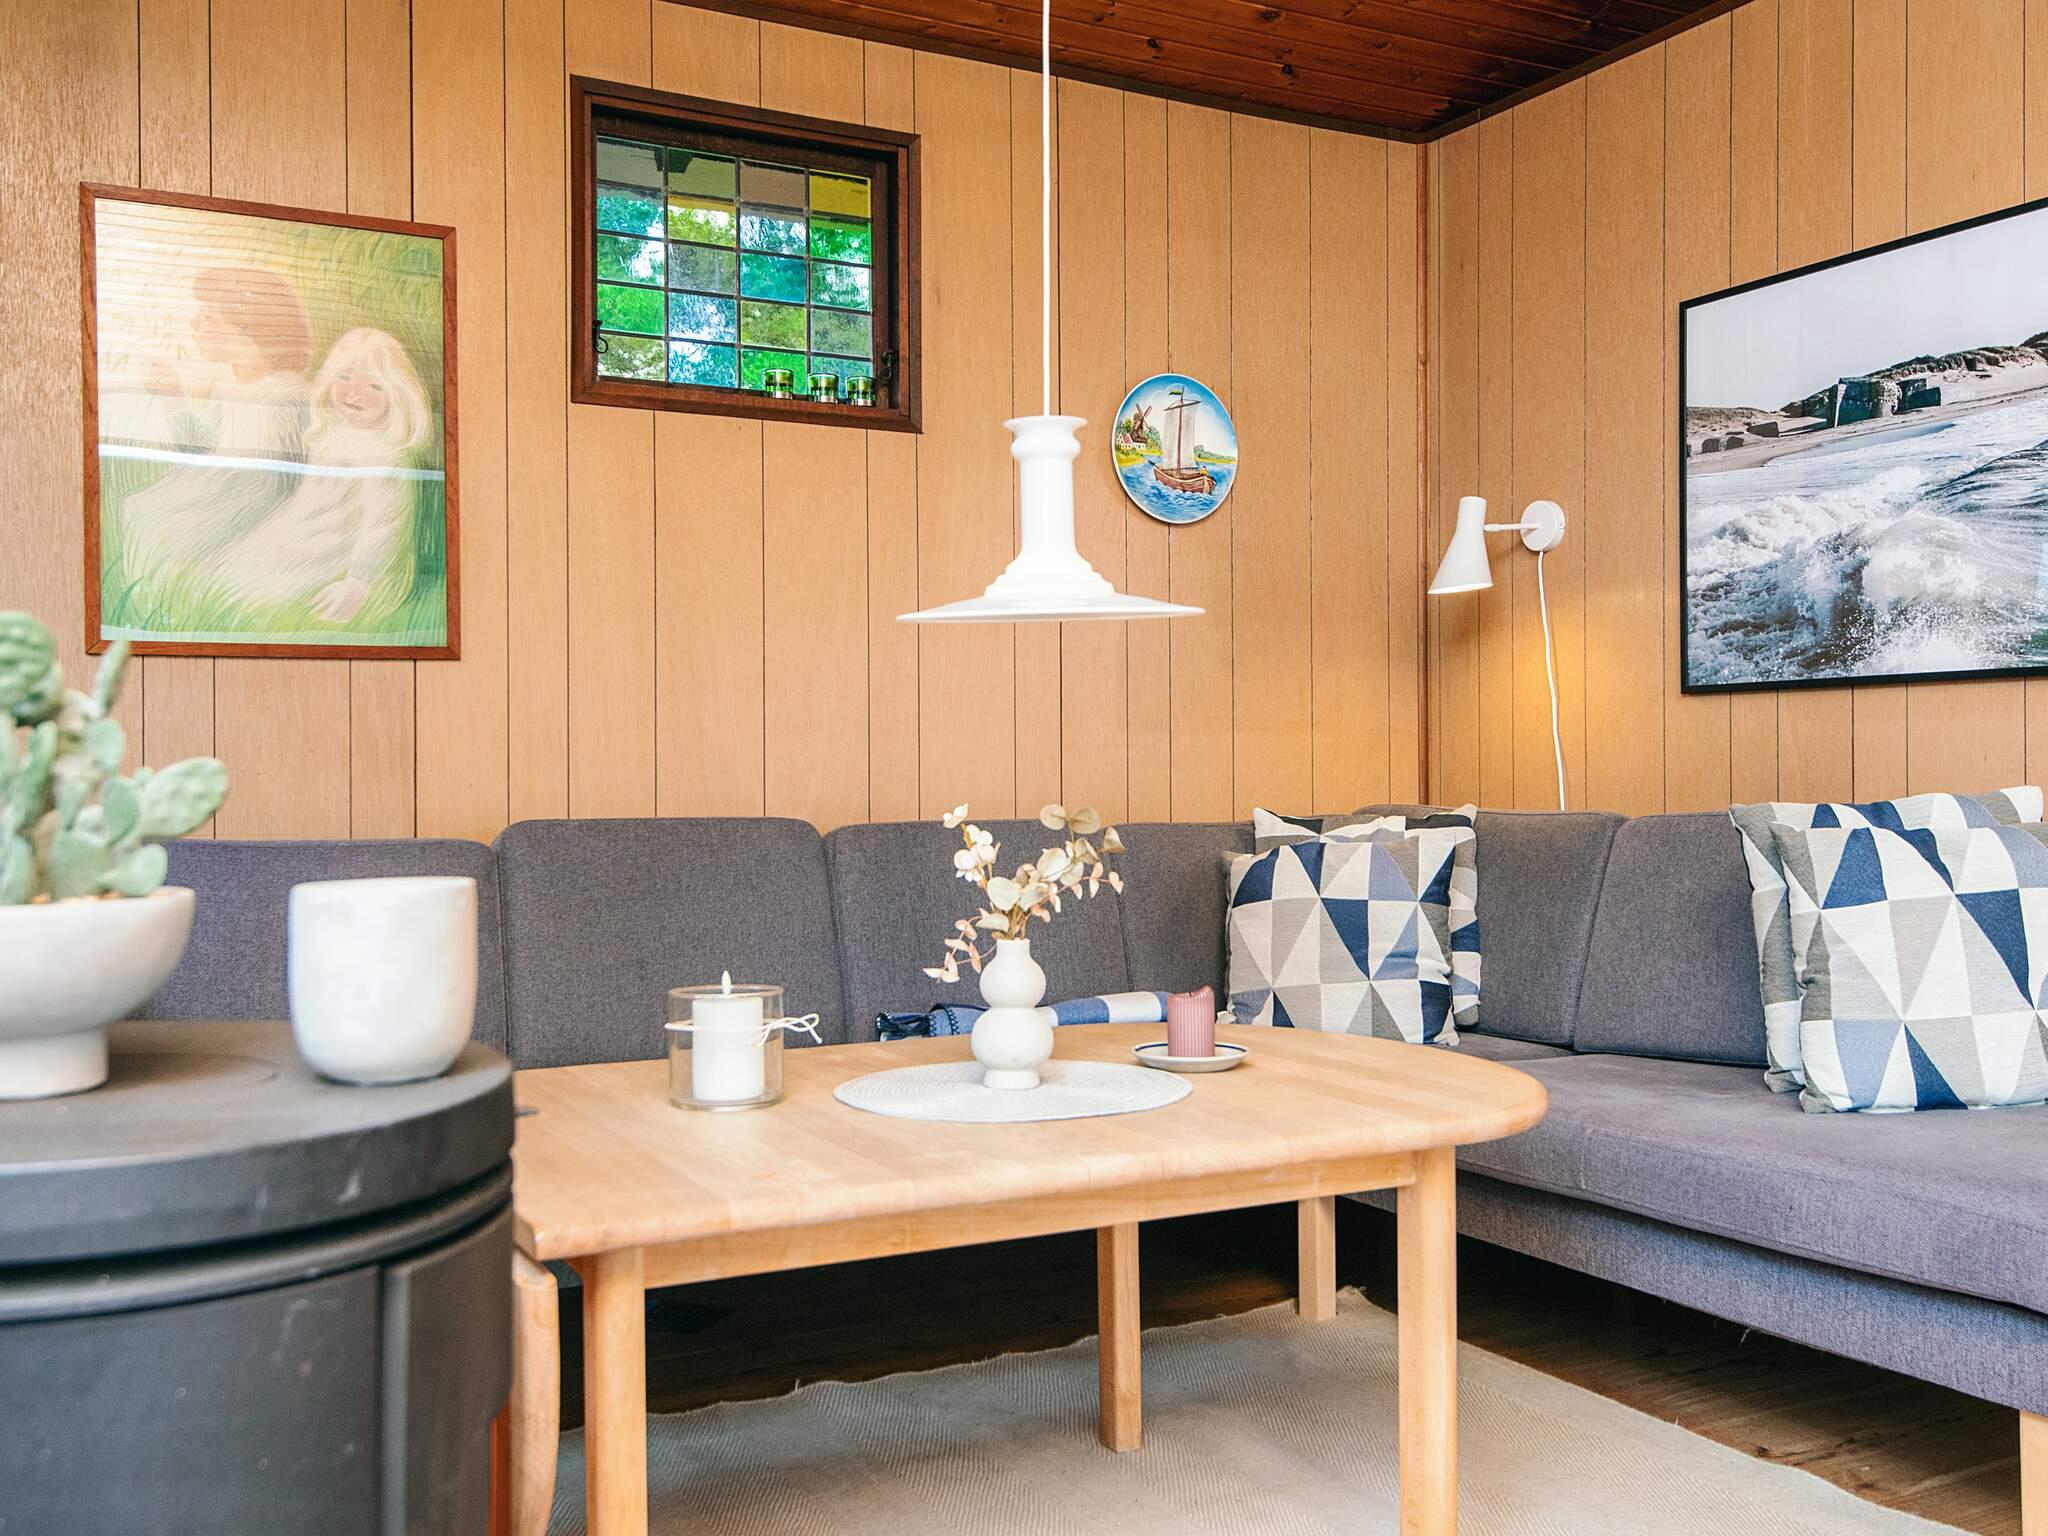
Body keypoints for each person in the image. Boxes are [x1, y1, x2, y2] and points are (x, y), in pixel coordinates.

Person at [214, 328, 434, 624]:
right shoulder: (330, 436)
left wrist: (358, 581)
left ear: (397, 395)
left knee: (258, 589)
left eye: (374, 385)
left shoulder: (386, 457)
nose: (354, 392)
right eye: (344, 377)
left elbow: (382, 527)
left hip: (347, 556)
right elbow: (307, 503)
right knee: (233, 567)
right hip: (309, 534)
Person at [120, 266, 315, 583]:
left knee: (160, 525)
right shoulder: (231, 386)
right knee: (142, 512)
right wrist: (174, 399)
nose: (195, 324)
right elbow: (204, 449)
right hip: (219, 491)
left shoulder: (287, 396)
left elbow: (284, 485)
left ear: (246, 327)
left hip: (248, 506)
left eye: (208, 317)